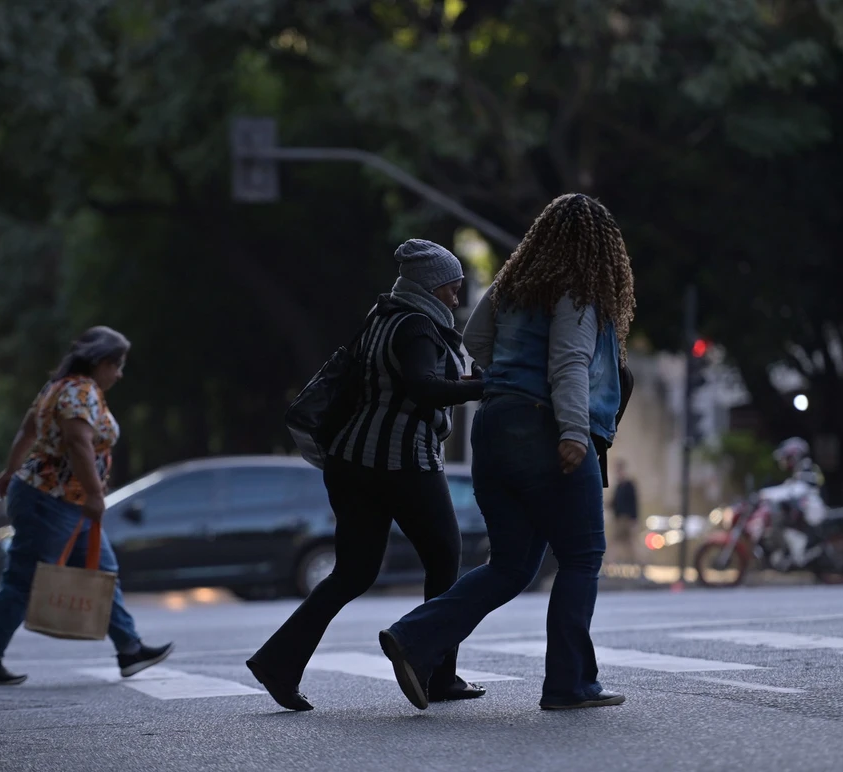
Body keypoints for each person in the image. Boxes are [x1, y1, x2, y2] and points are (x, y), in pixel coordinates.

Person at [379, 193, 636, 711]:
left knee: (512, 565)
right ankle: (569, 685)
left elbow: (474, 337)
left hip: (494, 426)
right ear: (602, 249)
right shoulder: (577, 291)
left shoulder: (514, 286)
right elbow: (568, 363)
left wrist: (511, 380)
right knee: (582, 558)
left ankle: (414, 637)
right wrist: (569, 431)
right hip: (546, 428)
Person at [246, 239, 487, 712]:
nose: (455, 299)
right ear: (431, 287)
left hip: (350, 462)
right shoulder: (418, 325)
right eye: (451, 290)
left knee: (352, 572)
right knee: (446, 560)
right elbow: (423, 387)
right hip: (401, 462)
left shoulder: (382, 316)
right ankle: (436, 672)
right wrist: (486, 386)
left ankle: (278, 662)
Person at [0, 326, 173, 685]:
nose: (120, 374)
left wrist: (9, 471)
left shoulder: (57, 387)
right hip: (52, 501)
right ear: (104, 363)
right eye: (118, 366)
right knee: (21, 579)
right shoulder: (80, 391)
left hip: (64, 502)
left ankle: (130, 649)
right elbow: (79, 444)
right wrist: (95, 495)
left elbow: (26, 432)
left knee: (102, 573)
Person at [759, 436, 826, 568]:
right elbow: (789, 488)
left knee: (788, 528)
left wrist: (766, 494)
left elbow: (795, 490)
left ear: (794, 456)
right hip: (803, 512)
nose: (784, 461)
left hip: (813, 512)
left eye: (786, 457)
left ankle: (798, 556)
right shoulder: (800, 470)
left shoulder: (807, 469)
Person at [609, 462, 640, 569]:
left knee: (629, 542)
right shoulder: (618, 486)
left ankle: (635, 564)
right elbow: (615, 503)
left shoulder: (628, 485)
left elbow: (634, 503)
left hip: (627, 519)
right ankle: (613, 563)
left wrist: (634, 519)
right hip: (619, 519)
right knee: (620, 542)